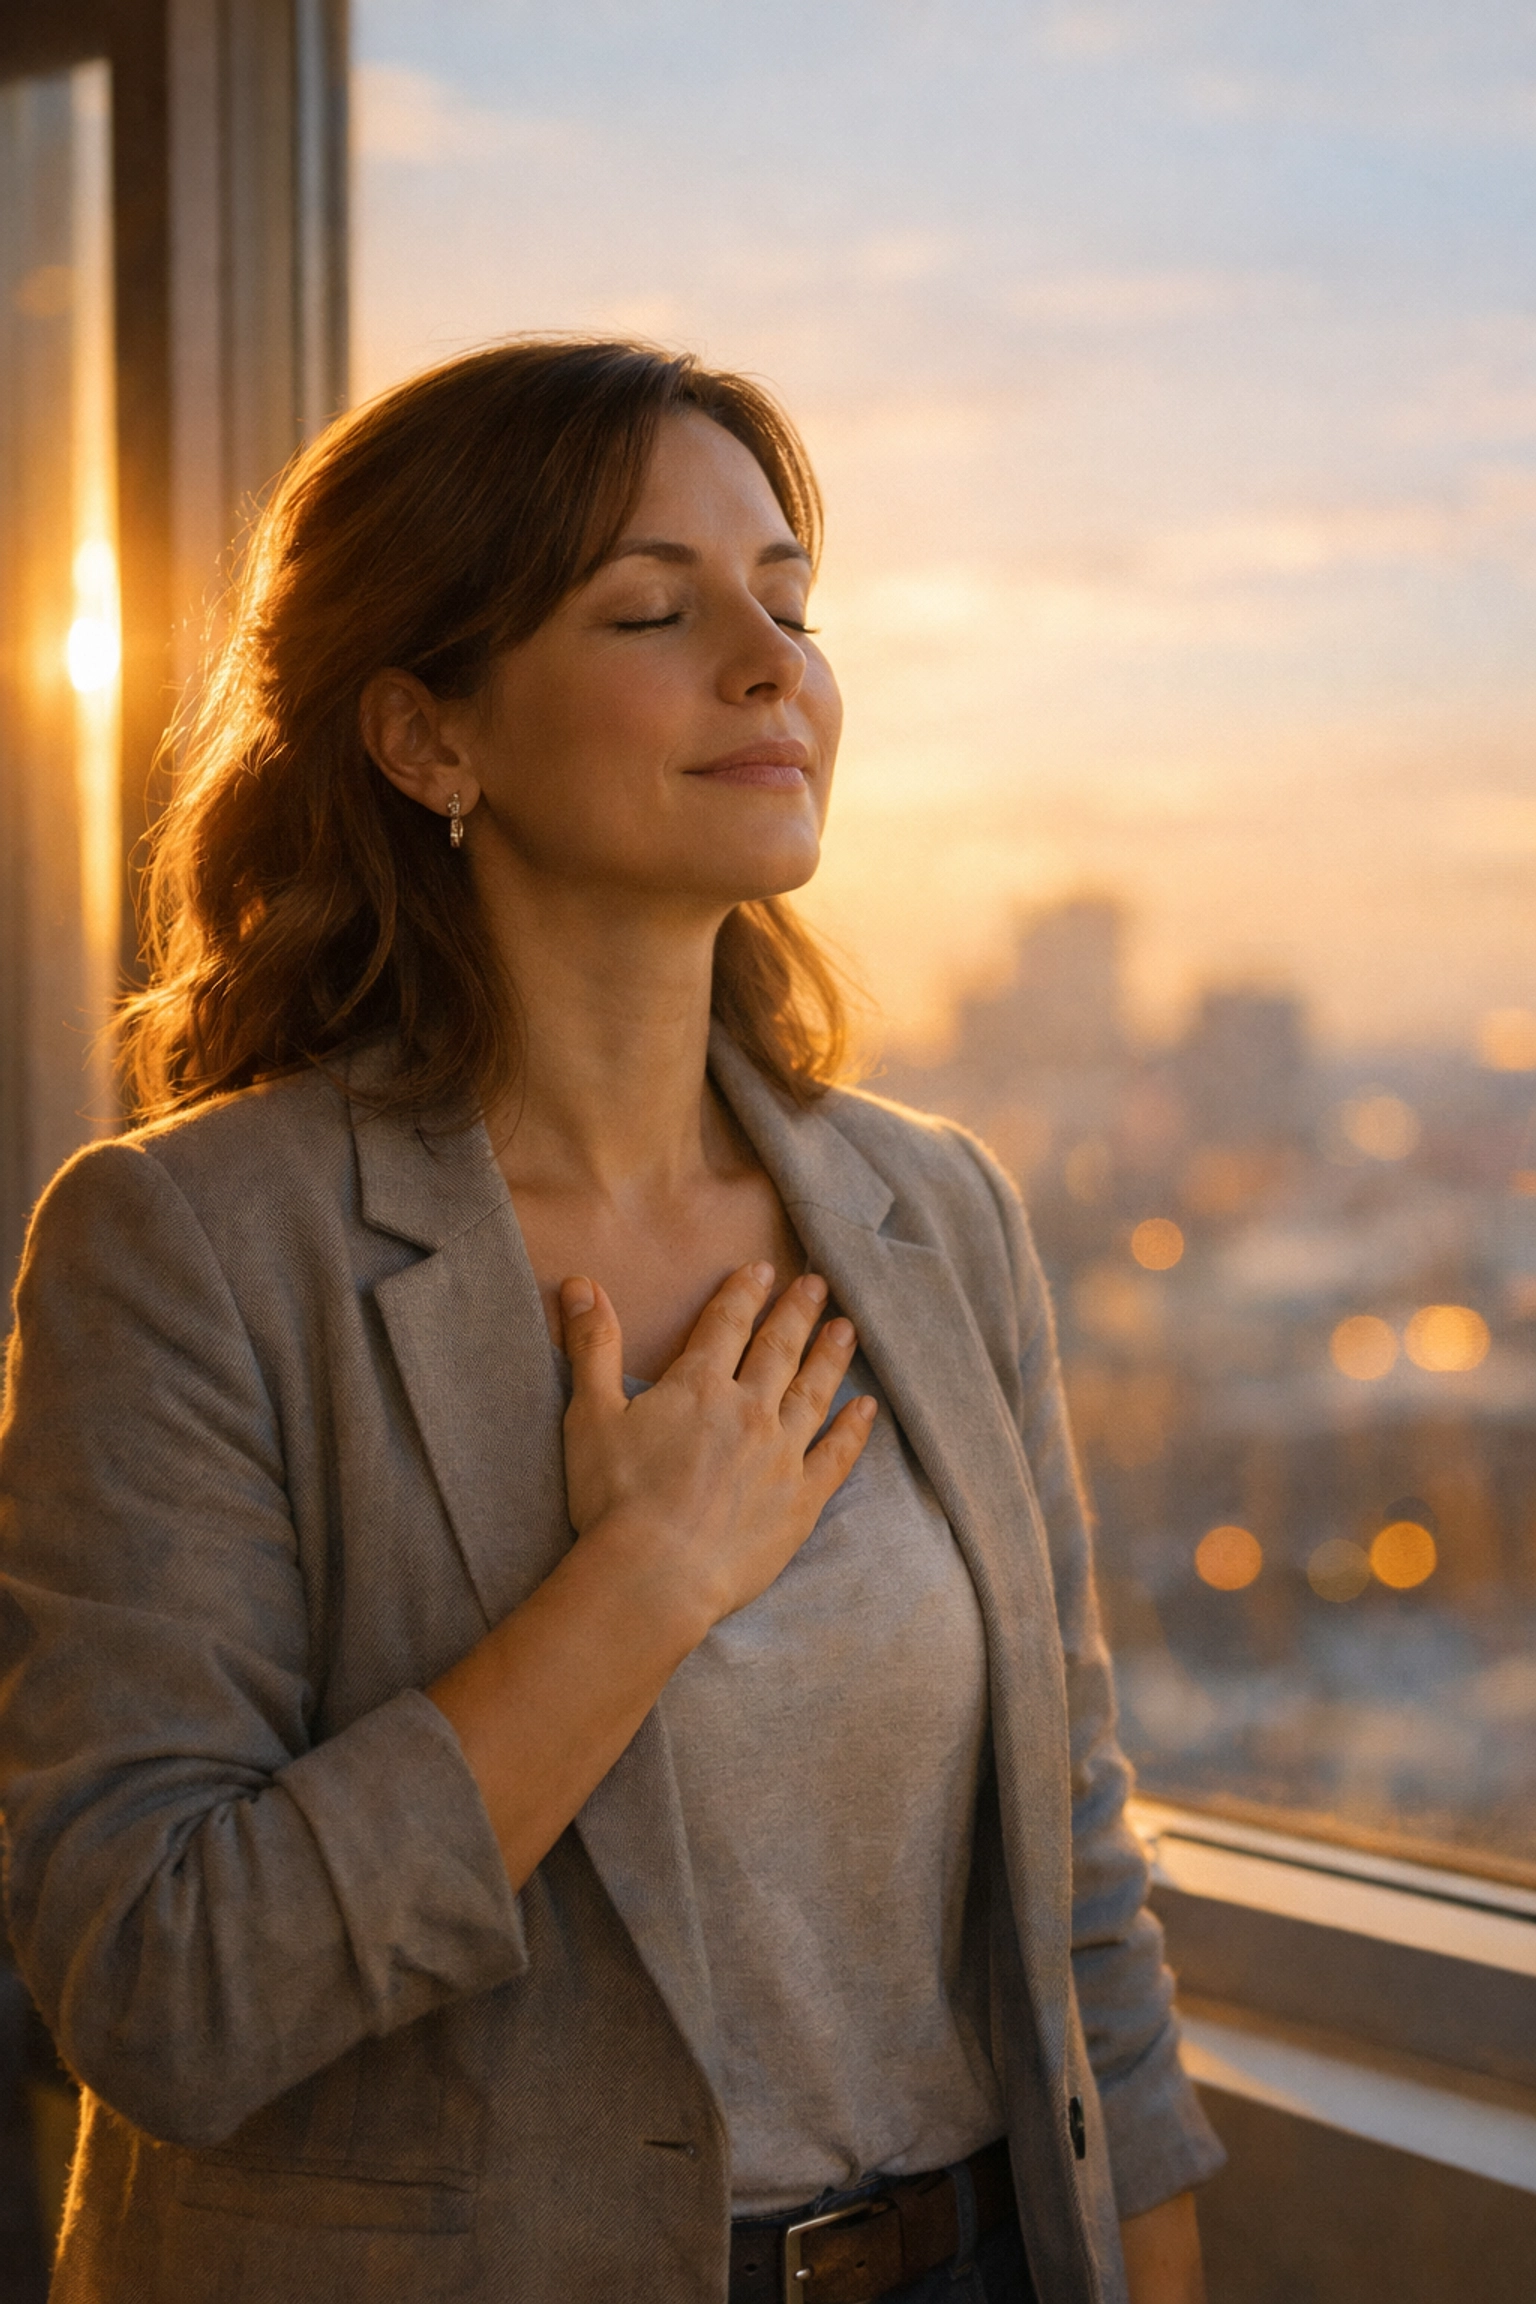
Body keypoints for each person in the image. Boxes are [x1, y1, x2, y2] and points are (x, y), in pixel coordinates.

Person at [0, 340, 1223, 2304]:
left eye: (792, 602)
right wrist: (642, 1581)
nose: (773, 663)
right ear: (427, 739)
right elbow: (161, 1993)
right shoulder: (188, 1250)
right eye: (656, 609)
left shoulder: (939, 1216)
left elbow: (1076, 1888)